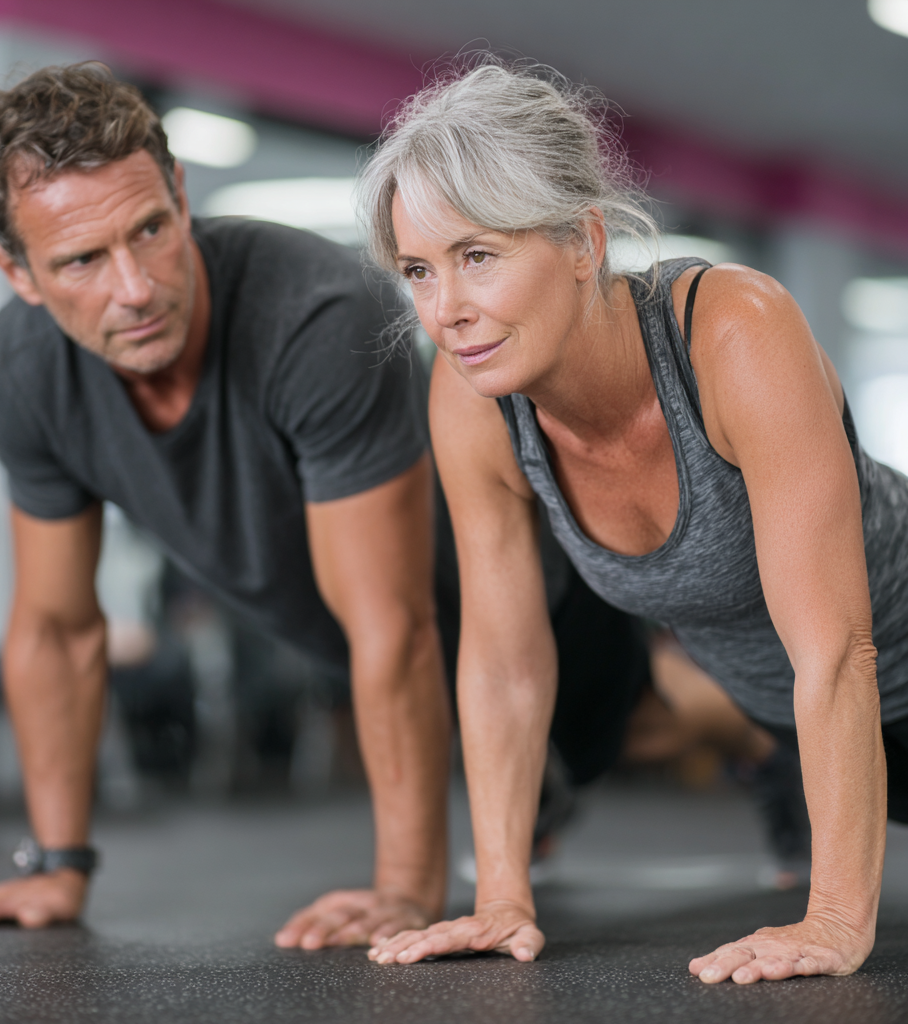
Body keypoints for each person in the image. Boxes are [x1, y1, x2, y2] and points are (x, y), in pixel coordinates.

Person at [358, 62, 908, 984]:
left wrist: (835, 919)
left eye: (478, 256)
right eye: (420, 269)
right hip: (807, 716)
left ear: (583, 239)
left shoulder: (733, 335)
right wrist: (502, 896)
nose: (446, 310)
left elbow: (836, 650)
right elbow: (502, 661)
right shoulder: (473, 397)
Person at [0, 63, 452, 948]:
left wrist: (405, 888)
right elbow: (57, 630)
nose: (135, 287)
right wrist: (57, 866)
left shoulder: (315, 312)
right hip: (408, 678)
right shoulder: (24, 374)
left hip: (546, 609)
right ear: (14, 271)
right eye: (82, 258)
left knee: (670, 720)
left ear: (181, 193)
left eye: (151, 229)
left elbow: (396, 624)